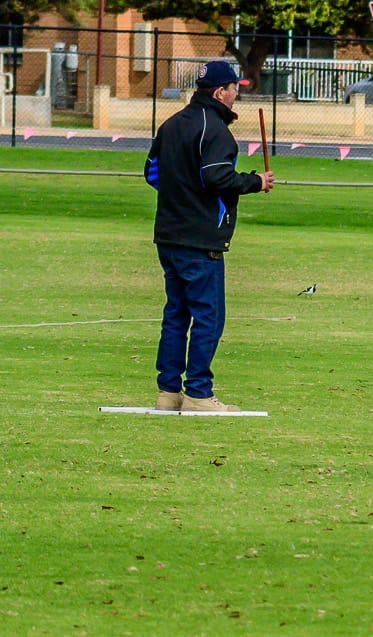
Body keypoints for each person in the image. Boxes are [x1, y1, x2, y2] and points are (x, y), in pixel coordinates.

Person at [143, 61, 275, 412]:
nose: (237, 94)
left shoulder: (171, 124)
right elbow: (217, 177)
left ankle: (168, 394)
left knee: (176, 315)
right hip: (200, 241)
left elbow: (152, 174)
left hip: (168, 237)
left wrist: (180, 195)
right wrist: (255, 181)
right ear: (219, 92)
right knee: (208, 317)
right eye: (234, 88)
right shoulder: (215, 130)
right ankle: (199, 393)